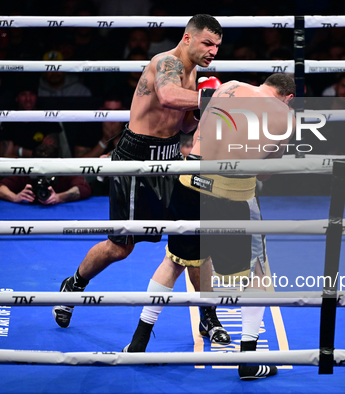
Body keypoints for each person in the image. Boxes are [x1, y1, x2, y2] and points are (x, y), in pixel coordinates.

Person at [52, 15, 226, 343]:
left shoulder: (194, 74)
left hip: (171, 160)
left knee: (195, 240)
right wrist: (211, 100)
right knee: (120, 248)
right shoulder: (166, 63)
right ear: (187, 38)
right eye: (207, 43)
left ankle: (208, 315)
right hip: (137, 163)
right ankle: (73, 285)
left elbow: (183, 124)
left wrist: (203, 112)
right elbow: (169, 96)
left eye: (217, 45)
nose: (213, 51)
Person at [124, 73, 296, 381]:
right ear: (288, 97)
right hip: (229, 196)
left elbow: (196, 126)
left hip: (190, 183)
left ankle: (138, 341)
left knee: (173, 261)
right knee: (255, 273)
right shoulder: (284, 114)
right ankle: (247, 360)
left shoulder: (229, 87)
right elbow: (264, 174)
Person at [0, 144, 91, 205]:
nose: (44, 175)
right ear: (33, 164)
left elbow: (83, 187)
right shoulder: (28, 174)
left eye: (48, 169)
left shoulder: (63, 173)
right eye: (40, 169)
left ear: (57, 165)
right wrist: (14, 197)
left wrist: (59, 197)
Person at [0, 82, 61, 158]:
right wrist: (39, 151)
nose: (28, 99)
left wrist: (19, 151)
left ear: (36, 97)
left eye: (31, 94)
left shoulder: (47, 118)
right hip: (17, 169)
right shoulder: (9, 121)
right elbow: (6, 156)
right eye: (23, 94)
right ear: (17, 98)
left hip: (43, 168)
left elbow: (51, 155)